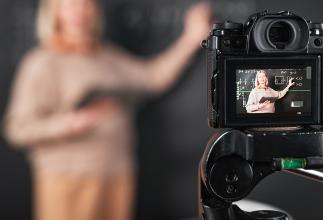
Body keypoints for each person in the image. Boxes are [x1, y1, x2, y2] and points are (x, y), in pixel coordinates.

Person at [2, 0, 212, 219]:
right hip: (68, 181)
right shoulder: (42, 62)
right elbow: (17, 128)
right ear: (55, 14)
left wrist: (190, 39)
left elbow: (153, 77)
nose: (80, 12)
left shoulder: (108, 57)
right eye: (71, 6)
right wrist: (69, 124)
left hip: (117, 177)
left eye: (86, 5)